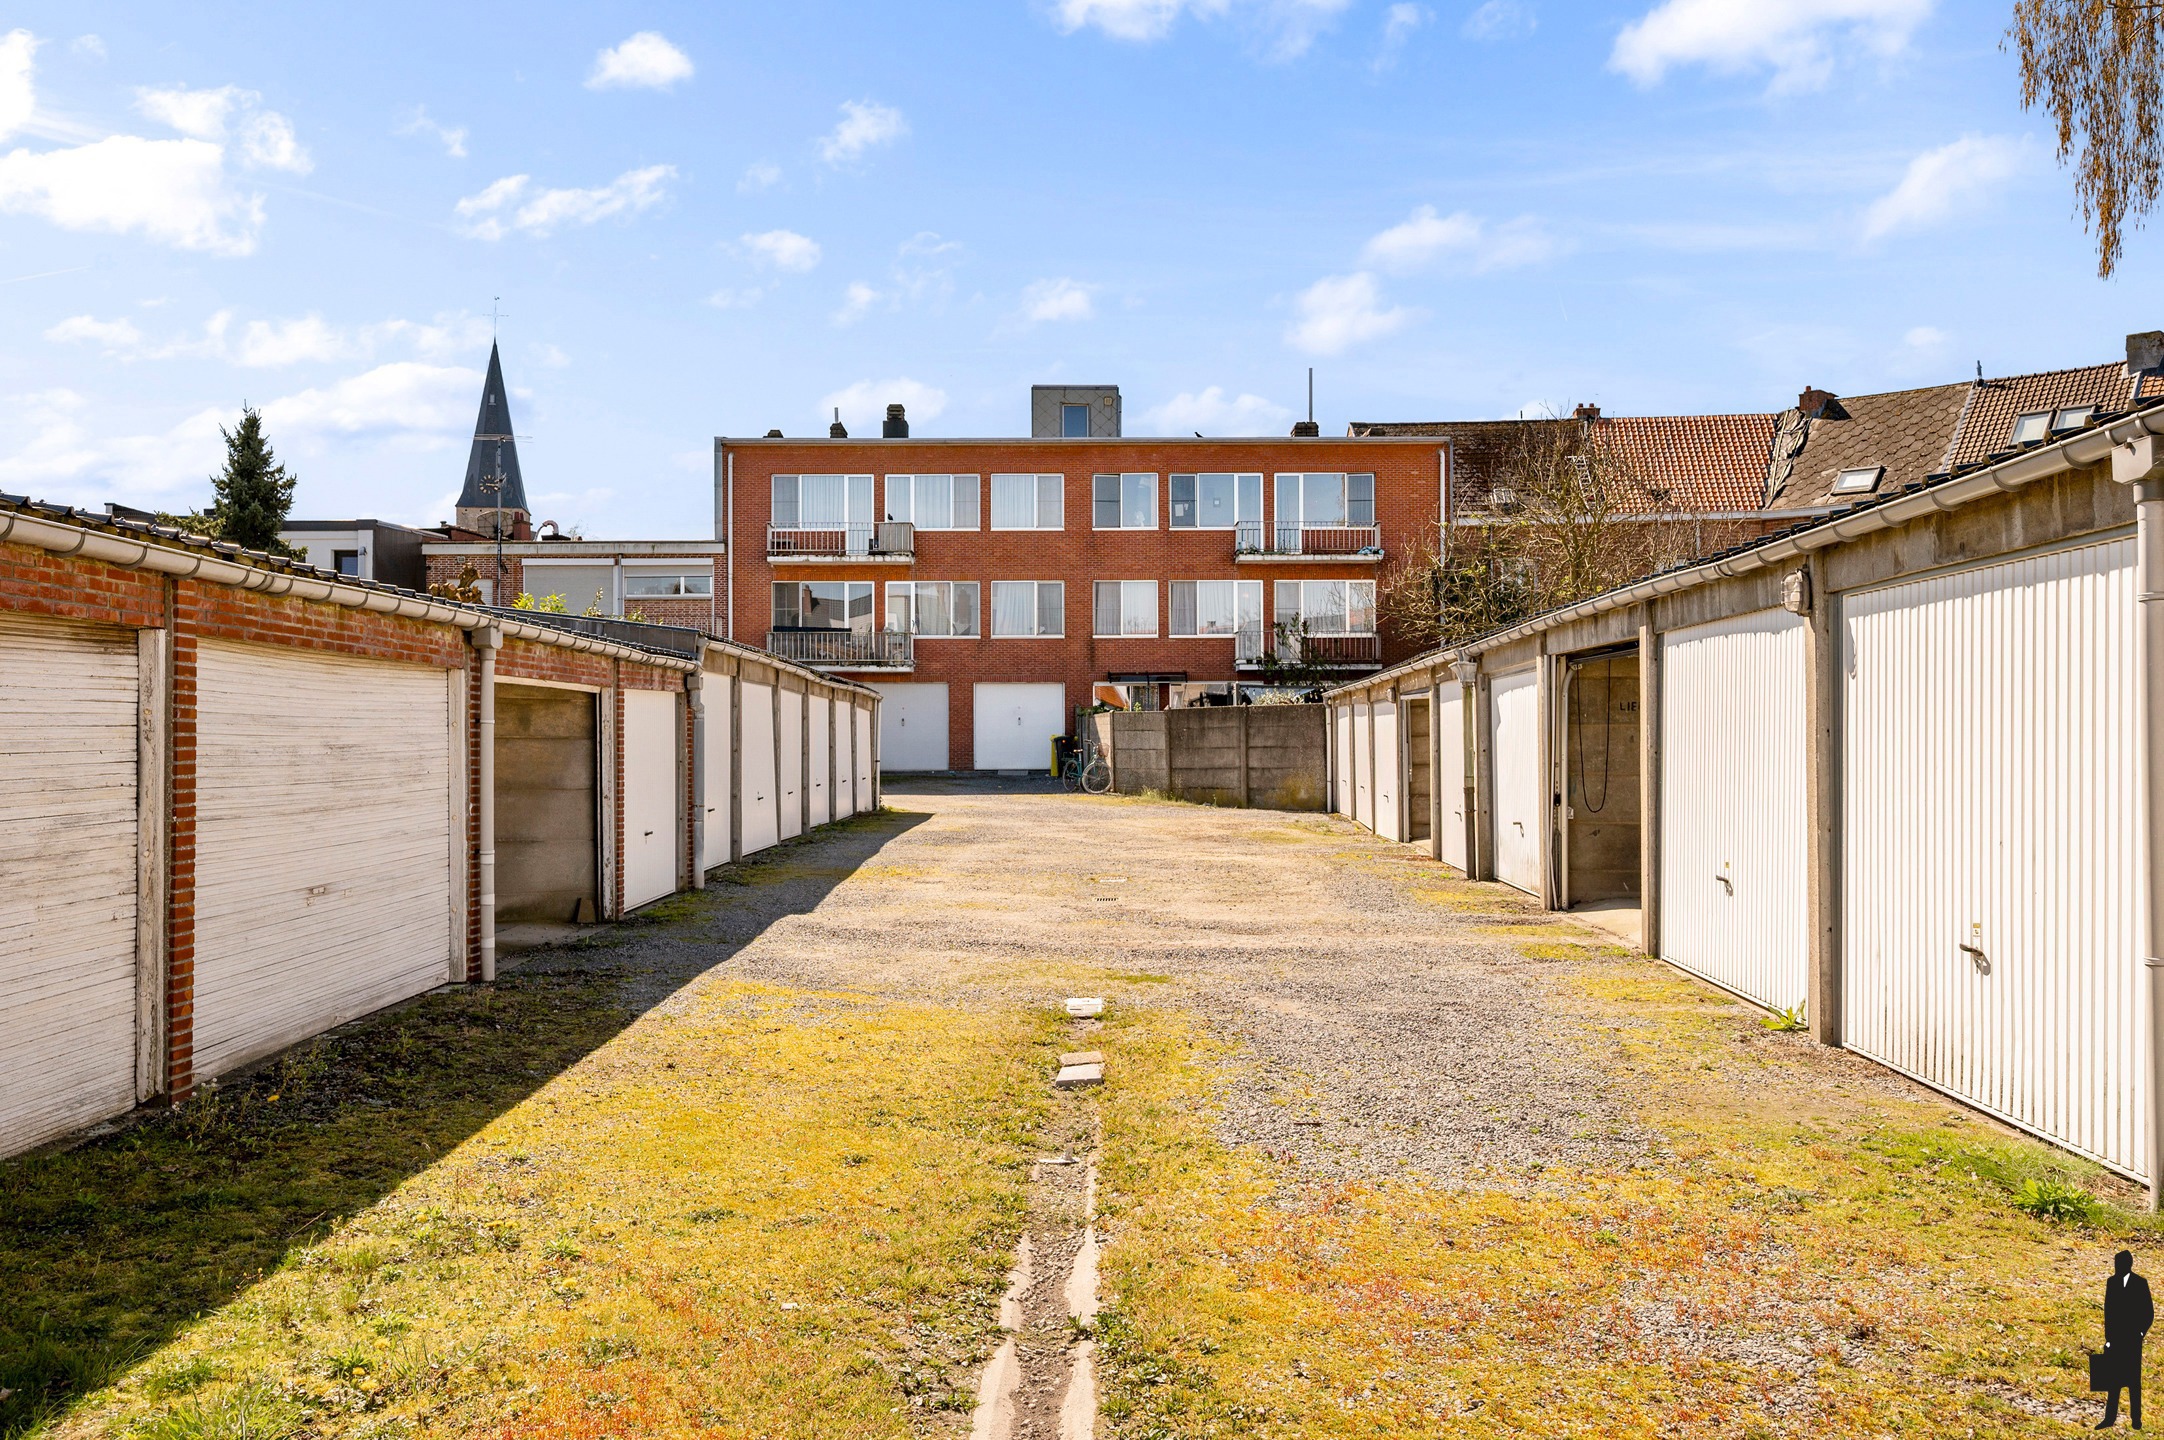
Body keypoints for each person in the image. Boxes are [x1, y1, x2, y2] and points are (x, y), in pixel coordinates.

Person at [2101, 1250, 2154, 1430]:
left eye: (2120, 1263)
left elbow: (2148, 1312)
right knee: (2113, 1381)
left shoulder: (2140, 1283)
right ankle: (2109, 1418)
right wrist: (2108, 1338)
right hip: (2116, 1339)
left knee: (2133, 1382)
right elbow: (2108, 1312)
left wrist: (2140, 1333)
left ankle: (2136, 1419)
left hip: (2132, 1340)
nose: (2117, 1267)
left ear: (2128, 1265)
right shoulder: (2112, 1282)